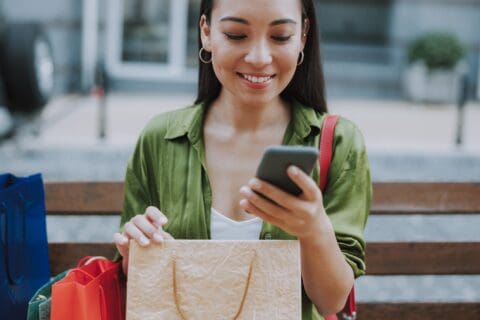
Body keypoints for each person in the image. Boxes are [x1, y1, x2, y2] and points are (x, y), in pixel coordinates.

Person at [113, 0, 371, 319]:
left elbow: (331, 302)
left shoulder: (339, 142)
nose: (259, 58)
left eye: (280, 37)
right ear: (206, 32)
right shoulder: (160, 138)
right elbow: (133, 281)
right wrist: (134, 251)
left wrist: (313, 227)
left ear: (303, 36)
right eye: (236, 35)